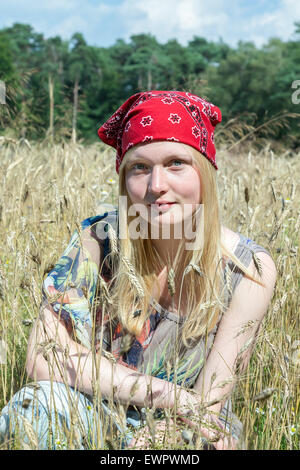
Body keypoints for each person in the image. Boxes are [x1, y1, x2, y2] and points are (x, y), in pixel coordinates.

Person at [0, 90, 277, 450]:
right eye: (140, 167)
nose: (156, 186)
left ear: (205, 172)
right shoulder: (99, 241)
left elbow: (211, 400)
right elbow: (43, 357)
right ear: (124, 180)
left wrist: (167, 431)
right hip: (91, 409)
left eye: (177, 162)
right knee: (34, 405)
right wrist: (166, 395)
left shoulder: (248, 268)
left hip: (187, 425)